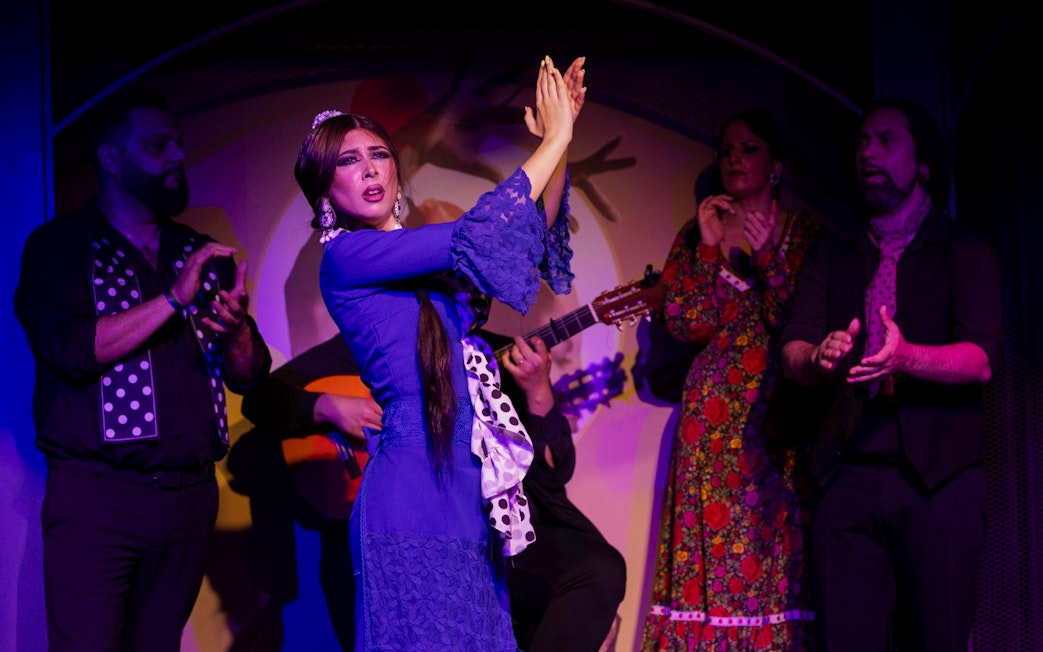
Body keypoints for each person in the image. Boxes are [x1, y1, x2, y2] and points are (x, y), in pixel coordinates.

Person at [291, 55, 585, 651]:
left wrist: (561, 145)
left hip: (467, 494)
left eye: (379, 154)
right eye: (348, 160)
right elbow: (482, 230)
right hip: (408, 495)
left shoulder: (429, 262)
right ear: (325, 190)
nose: (369, 169)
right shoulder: (346, 258)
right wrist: (552, 140)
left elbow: (521, 237)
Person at [13, 87, 272, 651]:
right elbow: (71, 349)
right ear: (111, 159)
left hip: (187, 495)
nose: (177, 155)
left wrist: (237, 331)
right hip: (98, 498)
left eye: (178, 142)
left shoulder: (197, 250)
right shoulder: (61, 247)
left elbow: (249, 375)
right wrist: (174, 300)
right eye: (158, 145)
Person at [240, 324, 626, 651]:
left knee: (597, 571)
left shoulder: (496, 354)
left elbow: (552, 477)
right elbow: (262, 399)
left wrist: (538, 392)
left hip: (488, 534)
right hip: (394, 533)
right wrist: (329, 407)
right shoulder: (379, 337)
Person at [779, 96, 1002, 651]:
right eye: (862, 143)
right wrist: (817, 355)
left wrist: (907, 357)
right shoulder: (834, 253)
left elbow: (979, 360)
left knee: (937, 638)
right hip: (847, 471)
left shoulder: (963, 250)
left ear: (922, 163)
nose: (868, 152)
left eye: (885, 140)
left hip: (939, 479)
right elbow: (793, 351)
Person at [641, 108, 822, 651]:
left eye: (749, 149)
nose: (735, 159)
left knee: (772, 550)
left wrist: (767, 258)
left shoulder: (804, 233)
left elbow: (796, 319)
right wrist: (707, 246)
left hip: (772, 419)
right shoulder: (697, 232)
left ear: (775, 165)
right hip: (707, 424)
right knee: (707, 555)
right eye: (727, 151)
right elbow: (685, 322)